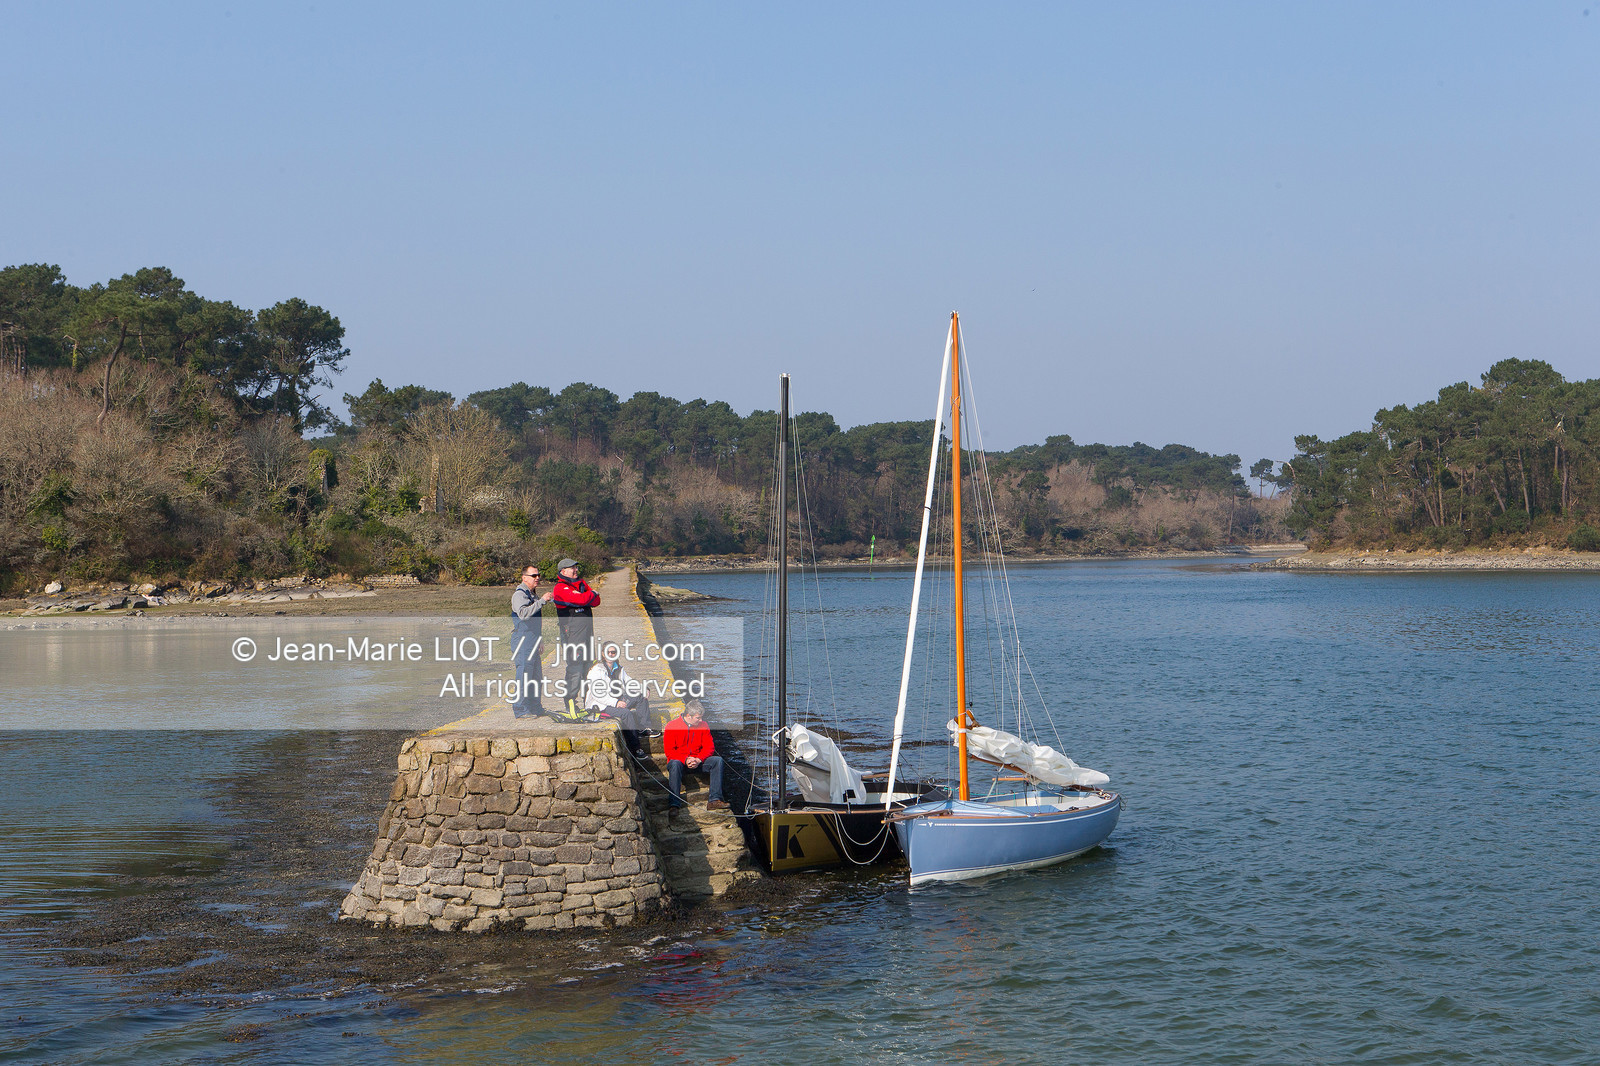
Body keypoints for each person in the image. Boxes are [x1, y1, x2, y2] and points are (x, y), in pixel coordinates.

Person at [585, 642, 658, 757]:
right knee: (626, 713)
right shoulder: (597, 671)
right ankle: (636, 748)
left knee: (640, 696)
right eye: (608, 652)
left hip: (617, 701)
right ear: (603, 654)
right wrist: (616, 702)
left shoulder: (618, 668)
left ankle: (644, 728)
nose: (611, 654)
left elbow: (629, 682)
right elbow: (597, 695)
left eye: (613, 652)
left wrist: (643, 688)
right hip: (600, 705)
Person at [550, 558, 600, 719]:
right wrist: (590, 595)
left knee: (588, 667)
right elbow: (583, 599)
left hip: (586, 634)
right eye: (572, 568)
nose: (575, 570)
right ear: (563, 571)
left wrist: (587, 595)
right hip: (572, 635)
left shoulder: (581, 584)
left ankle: (588, 702)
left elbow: (597, 601)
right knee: (574, 668)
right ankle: (570, 702)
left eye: (576, 567)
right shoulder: (560, 588)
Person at [662, 699, 728, 811]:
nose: (701, 720)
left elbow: (709, 747)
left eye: (701, 717)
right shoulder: (672, 726)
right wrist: (686, 759)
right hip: (680, 764)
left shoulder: (704, 725)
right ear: (688, 716)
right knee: (674, 763)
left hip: (698, 761)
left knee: (718, 761)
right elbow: (669, 751)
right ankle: (674, 804)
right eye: (698, 718)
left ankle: (714, 800)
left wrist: (698, 759)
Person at [509, 565, 552, 717]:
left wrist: (540, 640)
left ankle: (535, 707)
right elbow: (523, 614)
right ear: (524, 578)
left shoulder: (532, 595)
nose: (537, 578)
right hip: (522, 641)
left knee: (536, 676)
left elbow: (535, 622)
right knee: (524, 676)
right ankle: (520, 709)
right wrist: (541, 601)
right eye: (534, 576)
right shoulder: (519, 595)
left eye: (538, 575)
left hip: (533, 640)